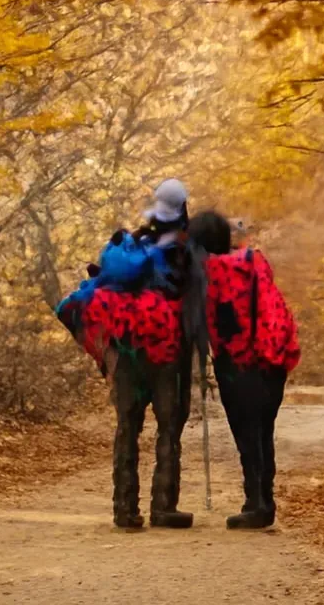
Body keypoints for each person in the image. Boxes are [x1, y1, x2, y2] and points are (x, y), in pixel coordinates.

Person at [87, 178, 203, 530]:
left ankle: (125, 509)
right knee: (169, 426)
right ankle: (164, 507)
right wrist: (201, 348)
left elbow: (102, 282)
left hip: (126, 350)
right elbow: (197, 305)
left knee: (127, 426)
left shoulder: (131, 244)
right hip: (167, 352)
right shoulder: (186, 250)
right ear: (183, 209)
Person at [189, 210, 300, 529]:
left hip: (238, 363)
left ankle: (258, 504)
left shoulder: (210, 271)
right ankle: (262, 500)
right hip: (272, 359)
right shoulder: (253, 262)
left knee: (248, 435)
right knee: (263, 433)